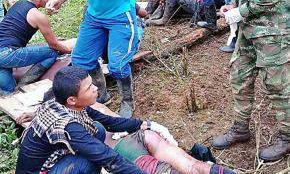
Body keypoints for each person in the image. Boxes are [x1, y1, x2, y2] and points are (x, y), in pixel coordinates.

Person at [16, 66, 235, 174]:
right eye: (90, 88)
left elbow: (108, 121)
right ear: (72, 99)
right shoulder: (70, 127)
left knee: (100, 130)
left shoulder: (61, 103)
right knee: (91, 160)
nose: (96, 89)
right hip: (42, 171)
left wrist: (146, 124)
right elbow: (109, 160)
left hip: (60, 154)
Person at [211, 0, 290, 162]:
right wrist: (234, 4)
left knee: (277, 85)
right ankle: (240, 129)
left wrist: (241, 10)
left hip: (273, 30)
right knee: (239, 75)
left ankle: (287, 137)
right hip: (249, 29)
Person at [46, 0, 140, 118]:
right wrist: (58, 0)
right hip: (94, 16)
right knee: (81, 59)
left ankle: (127, 101)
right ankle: (101, 95)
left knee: (118, 65)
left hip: (120, 14)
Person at [0, 0, 72, 95]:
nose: (48, 1)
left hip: (3, 53)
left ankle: (12, 102)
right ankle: (25, 83)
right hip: (7, 53)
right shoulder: (38, 16)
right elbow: (53, 45)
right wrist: (70, 50)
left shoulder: (18, 4)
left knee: (9, 90)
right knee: (51, 52)